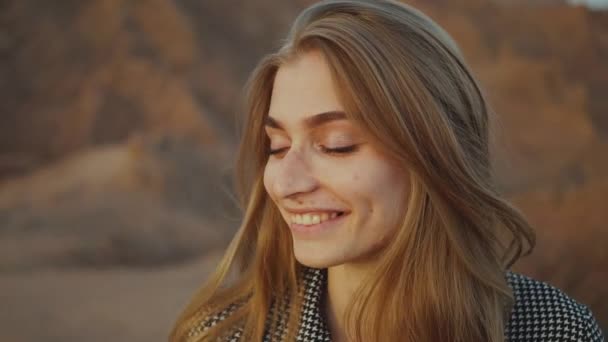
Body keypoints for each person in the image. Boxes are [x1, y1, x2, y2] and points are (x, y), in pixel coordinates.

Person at [170, 0, 605, 341]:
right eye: (278, 146)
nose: (285, 183)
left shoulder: (553, 329)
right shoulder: (224, 336)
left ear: (434, 153)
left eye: (335, 145)